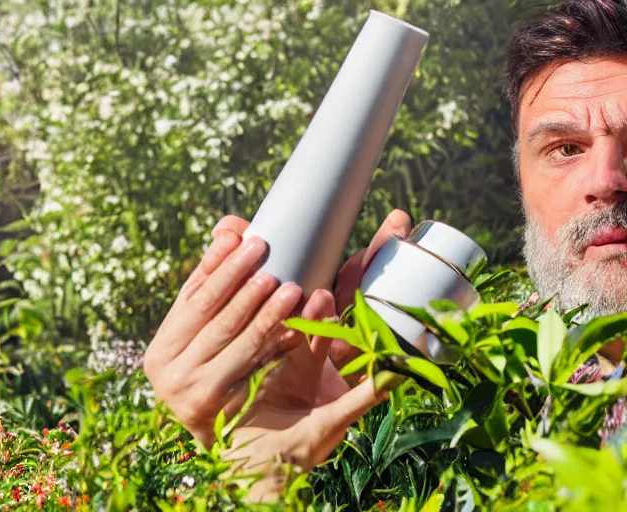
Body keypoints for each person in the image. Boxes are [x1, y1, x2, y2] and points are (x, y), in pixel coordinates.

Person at [144, 0, 627, 501]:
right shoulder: (467, 390)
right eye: (565, 148)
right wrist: (262, 478)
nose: (607, 181)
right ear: (520, 180)